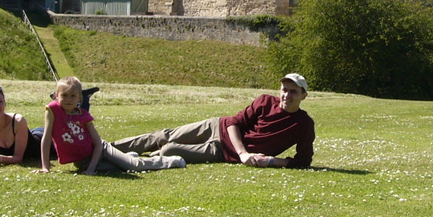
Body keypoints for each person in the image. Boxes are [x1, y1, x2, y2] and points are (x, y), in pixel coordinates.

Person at [112, 74, 315, 168]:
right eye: (284, 90)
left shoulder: (304, 125)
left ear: (303, 96)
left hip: (222, 152)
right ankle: (107, 150)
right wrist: (243, 153)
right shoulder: (264, 101)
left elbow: (303, 161)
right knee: (163, 136)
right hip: (217, 127)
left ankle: (124, 160)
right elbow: (234, 122)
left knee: (168, 150)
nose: (286, 95)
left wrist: (270, 161)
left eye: (293, 92)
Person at [38, 76, 186, 174]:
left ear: (79, 98)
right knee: (120, 168)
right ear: (56, 95)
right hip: (81, 162)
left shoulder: (84, 116)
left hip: (101, 150)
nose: (68, 99)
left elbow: (97, 143)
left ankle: (171, 161)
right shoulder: (52, 110)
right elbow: (46, 138)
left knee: (134, 166)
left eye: (73, 96)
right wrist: (45, 167)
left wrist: (91, 169)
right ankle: (127, 157)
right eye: (64, 95)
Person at [0, 83, 42, 166]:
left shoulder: (18, 121)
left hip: (46, 140)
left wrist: (0, 159)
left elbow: (18, 158)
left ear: (4, 102)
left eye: (0, 102)